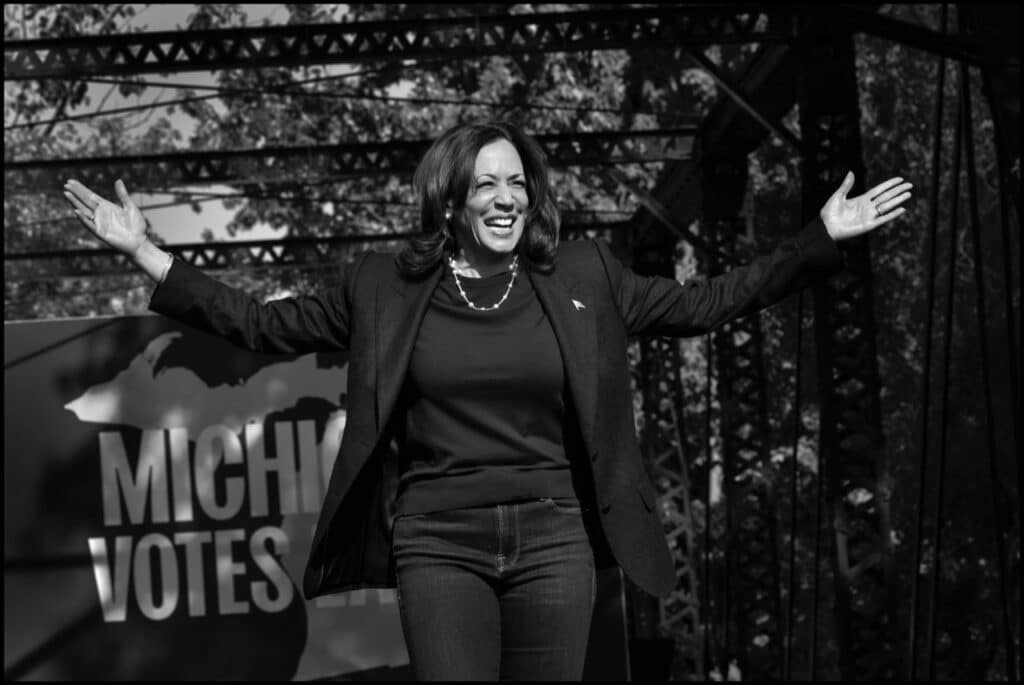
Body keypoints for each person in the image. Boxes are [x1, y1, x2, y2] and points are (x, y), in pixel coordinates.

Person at [62, 118, 912, 681]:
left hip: (555, 538)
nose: (507, 198)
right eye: (486, 186)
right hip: (440, 541)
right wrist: (149, 253)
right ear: (453, 200)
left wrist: (816, 241)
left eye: (518, 184)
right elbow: (256, 324)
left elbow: (705, 304)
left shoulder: (584, 276)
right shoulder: (384, 288)